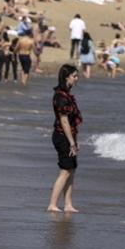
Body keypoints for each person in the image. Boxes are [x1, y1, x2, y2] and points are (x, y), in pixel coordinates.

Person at [48, 65, 82, 213]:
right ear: (66, 77)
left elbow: (73, 122)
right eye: (74, 76)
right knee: (65, 170)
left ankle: (68, 204)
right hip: (62, 136)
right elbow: (64, 120)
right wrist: (72, 142)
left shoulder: (67, 94)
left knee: (71, 170)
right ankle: (52, 204)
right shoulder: (61, 96)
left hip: (68, 136)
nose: (76, 79)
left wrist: (75, 140)